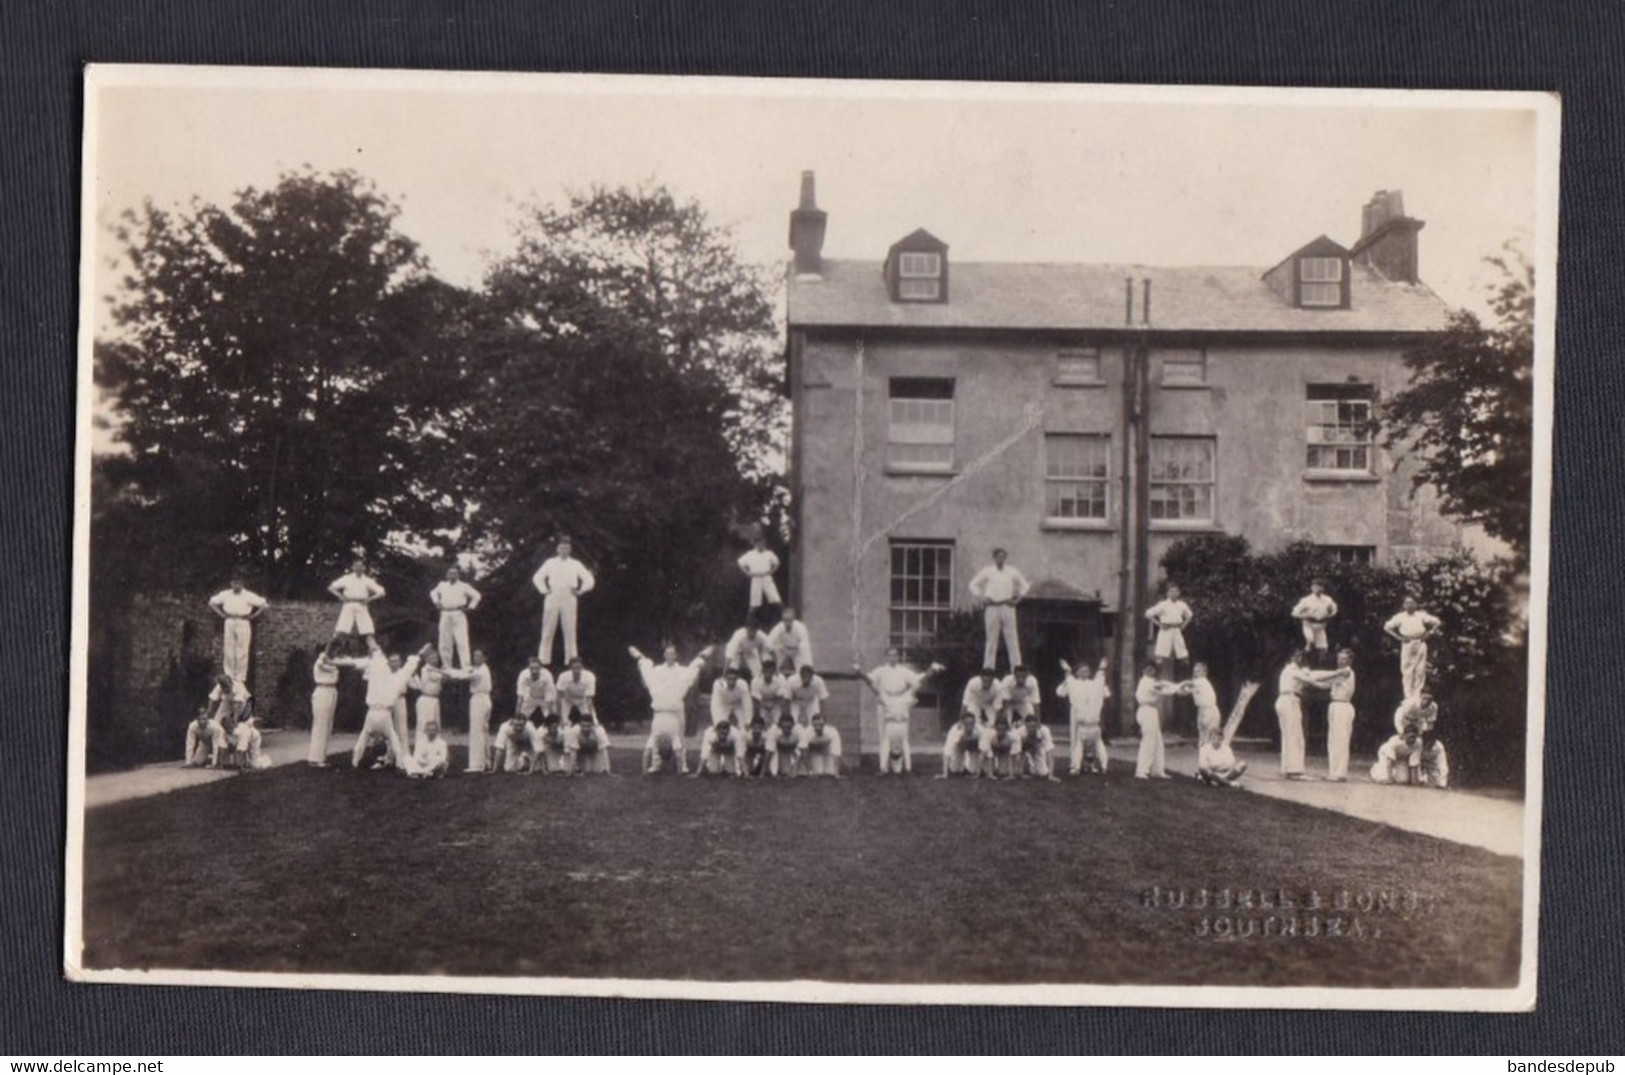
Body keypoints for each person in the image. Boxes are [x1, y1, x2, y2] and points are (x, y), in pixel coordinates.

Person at [856, 649, 945, 776]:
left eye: (895, 655)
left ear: (898, 657)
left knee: (903, 737)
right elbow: (870, 681)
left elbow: (917, 681)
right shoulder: (880, 670)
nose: (893, 658)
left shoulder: (903, 671)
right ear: (886, 657)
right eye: (890, 655)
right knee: (883, 737)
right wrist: (859, 672)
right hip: (885, 700)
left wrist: (931, 671)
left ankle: (904, 766)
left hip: (901, 700)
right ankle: (884, 767)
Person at [630, 644, 712, 776]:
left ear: (676, 656)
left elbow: (691, 673)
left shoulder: (681, 670)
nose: (670, 656)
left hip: (676, 707)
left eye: (672, 654)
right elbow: (647, 675)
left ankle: (683, 764)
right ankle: (656, 764)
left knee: (679, 736)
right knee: (656, 735)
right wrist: (640, 658)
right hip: (661, 708)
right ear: (665, 655)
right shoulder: (658, 670)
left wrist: (702, 656)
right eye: (667, 654)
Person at [350, 639, 427, 771]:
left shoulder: (403, 673)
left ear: (400, 662)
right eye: (391, 661)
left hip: (399, 701)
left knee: (400, 730)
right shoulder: (382, 673)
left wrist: (413, 672)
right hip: (383, 705)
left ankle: (404, 757)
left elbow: (417, 686)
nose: (394, 663)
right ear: (388, 662)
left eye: (396, 661)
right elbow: (367, 676)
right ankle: (386, 757)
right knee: (384, 733)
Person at [532, 536, 596, 665]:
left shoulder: (575, 564)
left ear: (570, 550)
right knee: (548, 627)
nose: (564, 550)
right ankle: (543, 658)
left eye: (567, 548)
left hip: (569, 595)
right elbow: (537, 577)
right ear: (557, 549)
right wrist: (544, 590)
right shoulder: (550, 562)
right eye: (561, 548)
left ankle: (571, 658)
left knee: (570, 628)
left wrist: (581, 590)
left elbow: (589, 580)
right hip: (553, 594)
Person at [1275, 650, 1338, 780]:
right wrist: (1336, 674)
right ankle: (1294, 770)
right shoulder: (1292, 670)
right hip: (1289, 700)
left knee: (1289, 735)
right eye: (1296, 655)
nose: (1299, 658)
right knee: (1295, 735)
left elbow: (1315, 674)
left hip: (1288, 700)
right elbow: (1312, 679)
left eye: (1300, 655)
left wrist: (1332, 677)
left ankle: (1287, 767)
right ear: (1290, 657)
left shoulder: (1297, 670)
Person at [1370, 692, 1449, 788]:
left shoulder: (1418, 743)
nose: (1427, 701)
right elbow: (1389, 759)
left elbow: (1429, 725)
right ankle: (1376, 770)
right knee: (1384, 777)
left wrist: (1415, 782)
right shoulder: (1395, 741)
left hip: (1417, 727)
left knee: (1403, 780)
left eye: (1430, 699)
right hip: (1389, 753)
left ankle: (1421, 776)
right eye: (1425, 698)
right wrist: (1387, 777)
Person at [969, 548, 1030, 670]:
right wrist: (982, 598)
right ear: (994, 558)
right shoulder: (988, 571)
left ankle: (1016, 668)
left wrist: (1017, 600)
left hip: (1007, 606)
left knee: (1012, 639)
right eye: (998, 557)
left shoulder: (1012, 571)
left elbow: (1025, 585)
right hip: (992, 608)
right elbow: (973, 584)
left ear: (1005, 558)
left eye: (1003, 557)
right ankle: (988, 669)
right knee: (991, 640)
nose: (1000, 559)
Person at [207, 575, 267, 685]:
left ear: (242, 584)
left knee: (242, 648)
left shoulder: (248, 595)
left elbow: (263, 604)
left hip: (243, 621)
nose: (236, 585)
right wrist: (221, 614)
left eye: (239, 583)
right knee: (229, 648)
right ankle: (228, 675)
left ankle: (240, 677)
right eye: (234, 583)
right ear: (231, 583)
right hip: (229, 620)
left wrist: (253, 616)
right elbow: (211, 602)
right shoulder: (226, 594)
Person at [409, 650, 473, 753]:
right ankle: (421, 753)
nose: (435, 659)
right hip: (426, 700)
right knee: (424, 727)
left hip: (434, 700)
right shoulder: (426, 669)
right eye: (432, 657)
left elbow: (446, 678)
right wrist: (456, 673)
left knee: (435, 726)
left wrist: (454, 673)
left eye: (436, 657)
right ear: (426, 659)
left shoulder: (435, 670)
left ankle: (435, 752)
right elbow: (445, 677)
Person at [1057, 657, 1110, 775]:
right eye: (1081, 671)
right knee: (1076, 738)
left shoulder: (1093, 684)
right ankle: (1075, 764)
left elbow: (1105, 694)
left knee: (1091, 740)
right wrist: (1066, 679)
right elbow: (1060, 693)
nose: (1084, 674)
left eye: (1086, 671)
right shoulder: (1073, 683)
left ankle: (1089, 764)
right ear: (1076, 672)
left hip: (1091, 713)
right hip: (1077, 712)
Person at [1384, 596, 1443, 700]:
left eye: (1412, 603)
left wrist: (1430, 633)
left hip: (1420, 642)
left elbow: (1437, 622)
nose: (1409, 605)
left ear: (1416, 605)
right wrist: (1399, 638)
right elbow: (1387, 627)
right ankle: (1408, 697)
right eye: (1407, 603)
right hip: (1407, 643)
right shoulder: (1400, 617)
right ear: (1403, 605)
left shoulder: (1421, 615)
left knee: (1420, 670)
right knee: (1407, 670)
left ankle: (1417, 695)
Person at [429, 565, 482, 669]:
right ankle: (447, 665)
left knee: (462, 640)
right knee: (444, 641)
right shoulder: (442, 585)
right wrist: (436, 603)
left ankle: (465, 666)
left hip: (458, 613)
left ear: (458, 575)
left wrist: (470, 607)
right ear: (447, 575)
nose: (452, 575)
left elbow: (477, 595)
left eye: (455, 573)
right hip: (445, 613)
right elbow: (432, 593)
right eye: (450, 573)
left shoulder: (464, 586)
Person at [328, 559, 386, 644]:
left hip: (361, 606)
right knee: (341, 630)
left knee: (368, 631)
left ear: (364, 568)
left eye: (360, 566)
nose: (358, 568)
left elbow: (382, 592)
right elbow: (331, 588)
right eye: (356, 566)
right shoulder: (347, 579)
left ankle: (375, 652)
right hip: (348, 605)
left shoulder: (367, 580)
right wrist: (340, 596)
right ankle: (326, 653)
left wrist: (369, 599)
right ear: (353, 568)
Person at [1134, 663, 1176, 780]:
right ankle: (1141, 770)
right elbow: (1165, 691)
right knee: (1148, 741)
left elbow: (1163, 685)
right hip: (1146, 710)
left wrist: (1177, 687)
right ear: (1143, 671)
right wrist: (1179, 688)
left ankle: (1157, 770)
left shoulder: (1152, 681)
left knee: (1157, 741)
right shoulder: (1147, 682)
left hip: (1151, 711)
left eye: (1152, 670)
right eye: (1148, 669)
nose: (1150, 671)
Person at [307, 644, 345, 767]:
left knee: (328, 726)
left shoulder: (332, 662)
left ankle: (321, 756)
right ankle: (315, 758)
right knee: (321, 724)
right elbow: (325, 664)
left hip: (331, 691)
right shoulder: (321, 661)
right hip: (323, 690)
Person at [1324, 649, 1358, 781]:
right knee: (1332, 740)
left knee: (1341, 740)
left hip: (1343, 706)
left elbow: (1327, 678)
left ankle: (1340, 773)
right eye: (1339, 658)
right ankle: (1333, 772)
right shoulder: (1338, 674)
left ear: (1350, 661)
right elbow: (1325, 684)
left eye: (1343, 659)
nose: (1340, 661)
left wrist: (1308, 676)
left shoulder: (1347, 672)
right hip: (1334, 705)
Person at [1145, 584, 1194, 665]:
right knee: (1161, 655)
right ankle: (1158, 666)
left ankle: (1185, 664)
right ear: (1167, 593)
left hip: (1177, 629)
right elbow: (1148, 614)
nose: (1174, 593)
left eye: (1176, 591)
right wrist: (1159, 624)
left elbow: (1190, 615)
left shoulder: (1182, 604)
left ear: (1179, 593)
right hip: (1166, 629)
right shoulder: (1163, 604)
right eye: (1171, 591)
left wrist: (1184, 625)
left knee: (1182, 652)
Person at [465, 650, 495, 774]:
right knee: (482, 730)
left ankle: (477, 764)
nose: (475, 658)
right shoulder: (478, 669)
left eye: (478, 656)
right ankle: (485, 762)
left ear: (484, 658)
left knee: (477, 731)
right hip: (481, 699)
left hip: (480, 699)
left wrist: (443, 671)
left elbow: (463, 676)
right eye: (474, 655)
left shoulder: (482, 670)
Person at [1292, 578, 1338, 659]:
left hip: (1321, 626)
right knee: (1310, 641)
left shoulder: (1328, 599)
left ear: (1323, 588)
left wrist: (1329, 615)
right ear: (1312, 588)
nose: (1318, 589)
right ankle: (1305, 659)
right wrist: (1305, 616)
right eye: (1315, 587)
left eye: (1320, 587)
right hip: (1309, 625)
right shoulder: (1306, 600)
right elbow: (1294, 612)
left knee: (1323, 648)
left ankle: (1320, 664)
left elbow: (1335, 609)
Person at [737, 533, 782, 616]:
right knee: (754, 604)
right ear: (755, 544)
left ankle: (781, 617)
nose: (761, 545)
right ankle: (750, 621)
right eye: (758, 543)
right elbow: (740, 562)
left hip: (766, 577)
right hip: (756, 578)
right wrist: (747, 573)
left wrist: (771, 571)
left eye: (762, 543)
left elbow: (777, 563)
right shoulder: (750, 554)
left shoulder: (769, 553)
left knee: (776, 600)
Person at [1181, 662, 1223, 744]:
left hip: (1210, 711)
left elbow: (1185, 687)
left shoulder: (1201, 681)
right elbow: (1184, 692)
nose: (1195, 673)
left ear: (1205, 673)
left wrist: (1176, 688)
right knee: (1202, 739)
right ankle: (1203, 756)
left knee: (1211, 739)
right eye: (1194, 671)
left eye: (1198, 671)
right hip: (1202, 710)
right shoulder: (1195, 682)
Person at [766, 607, 815, 671]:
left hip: (797, 651)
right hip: (783, 650)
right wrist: (774, 657)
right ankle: (772, 673)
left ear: (793, 619)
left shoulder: (801, 628)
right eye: (785, 620)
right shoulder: (779, 628)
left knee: (805, 657)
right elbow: (768, 642)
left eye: (789, 620)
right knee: (769, 653)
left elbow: (803, 646)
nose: (787, 622)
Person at [938, 713, 984, 778]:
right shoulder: (955, 730)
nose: (969, 726)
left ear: (974, 723)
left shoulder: (980, 730)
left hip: (974, 748)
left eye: (971, 723)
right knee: (955, 770)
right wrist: (944, 773)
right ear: (962, 723)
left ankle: (969, 765)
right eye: (967, 724)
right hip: (959, 747)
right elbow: (947, 752)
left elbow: (984, 749)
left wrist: (978, 773)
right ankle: (961, 765)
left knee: (974, 770)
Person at [567, 709, 612, 776]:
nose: (586, 729)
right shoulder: (574, 731)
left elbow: (604, 751)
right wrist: (570, 772)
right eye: (583, 726)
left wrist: (608, 770)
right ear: (579, 725)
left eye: (588, 726)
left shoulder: (599, 730)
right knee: (586, 770)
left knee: (597, 771)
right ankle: (577, 767)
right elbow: (573, 752)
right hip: (582, 753)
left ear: (592, 725)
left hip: (595, 752)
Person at [555, 656, 598, 725]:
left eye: (578, 667)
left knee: (593, 721)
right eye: (573, 668)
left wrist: (591, 718)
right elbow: (558, 697)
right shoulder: (563, 676)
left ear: (582, 667)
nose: (576, 670)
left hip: (583, 700)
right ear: (570, 668)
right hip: (567, 699)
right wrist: (559, 717)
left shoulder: (590, 677)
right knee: (560, 721)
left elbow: (589, 700)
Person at [755, 659, 797, 727]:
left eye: (770, 672)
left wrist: (773, 705)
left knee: (778, 722)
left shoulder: (780, 679)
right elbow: (756, 700)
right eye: (766, 671)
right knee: (762, 723)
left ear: (774, 671)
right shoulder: (756, 681)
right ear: (762, 671)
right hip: (762, 703)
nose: (768, 674)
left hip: (775, 703)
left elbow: (781, 698)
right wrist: (764, 706)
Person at [1018, 713, 1059, 780]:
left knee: (1042, 773)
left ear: (1037, 725)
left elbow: (1050, 752)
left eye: (1033, 726)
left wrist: (1051, 775)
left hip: (1039, 748)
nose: (1031, 729)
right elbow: (1019, 751)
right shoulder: (1020, 732)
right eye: (1029, 726)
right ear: (1025, 725)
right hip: (1026, 748)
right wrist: (1020, 772)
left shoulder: (1045, 730)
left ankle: (1032, 765)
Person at [515, 657, 556, 724]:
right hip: (531, 697)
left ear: (541, 668)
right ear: (528, 668)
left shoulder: (547, 675)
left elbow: (550, 697)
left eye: (537, 668)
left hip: (544, 698)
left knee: (551, 718)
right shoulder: (523, 675)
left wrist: (550, 715)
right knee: (521, 717)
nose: (534, 671)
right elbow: (520, 697)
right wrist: (516, 716)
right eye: (531, 668)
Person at [800, 713, 843, 777]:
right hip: (814, 752)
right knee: (817, 772)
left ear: (825, 724)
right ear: (812, 724)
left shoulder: (832, 732)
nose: (818, 727)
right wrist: (809, 771)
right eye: (815, 725)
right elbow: (803, 750)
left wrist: (836, 773)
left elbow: (836, 752)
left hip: (827, 751)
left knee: (830, 773)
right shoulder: (807, 732)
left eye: (821, 725)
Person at [981, 715, 1021, 779]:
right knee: (986, 771)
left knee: (1003, 772)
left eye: (1003, 729)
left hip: (1005, 754)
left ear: (1007, 728)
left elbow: (1014, 754)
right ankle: (991, 770)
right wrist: (989, 774)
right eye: (999, 729)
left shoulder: (1014, 736)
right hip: (993, 754)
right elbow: (985, 753)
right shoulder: (989, 734)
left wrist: (1012, 775)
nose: (1001, 731)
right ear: (995, 727)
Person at [767, 712, 804, 777]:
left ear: (793, 725)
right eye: (784, 727)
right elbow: (769, 751)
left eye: (788, 727)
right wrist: (764, 772)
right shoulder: (773, 731)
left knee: (800, 773)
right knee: (776, 773)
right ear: (780, 726)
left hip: (793, 751)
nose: (786, 730)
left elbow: (802, 750)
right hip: (779, 752)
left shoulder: (799, 730)